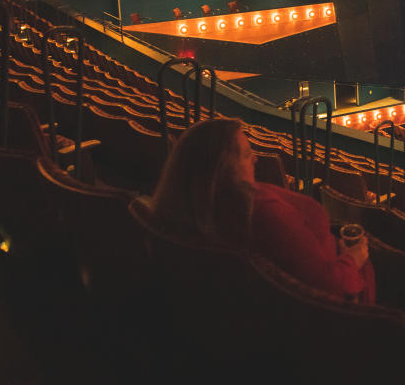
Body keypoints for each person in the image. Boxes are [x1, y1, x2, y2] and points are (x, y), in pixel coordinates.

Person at [150, 118, 374, 303]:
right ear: (224, 168)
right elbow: (325, 286)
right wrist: (352, 260)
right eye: (247, 155)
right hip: (338, 305)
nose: (256, 159)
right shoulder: (260, 213)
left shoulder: (191, 205)